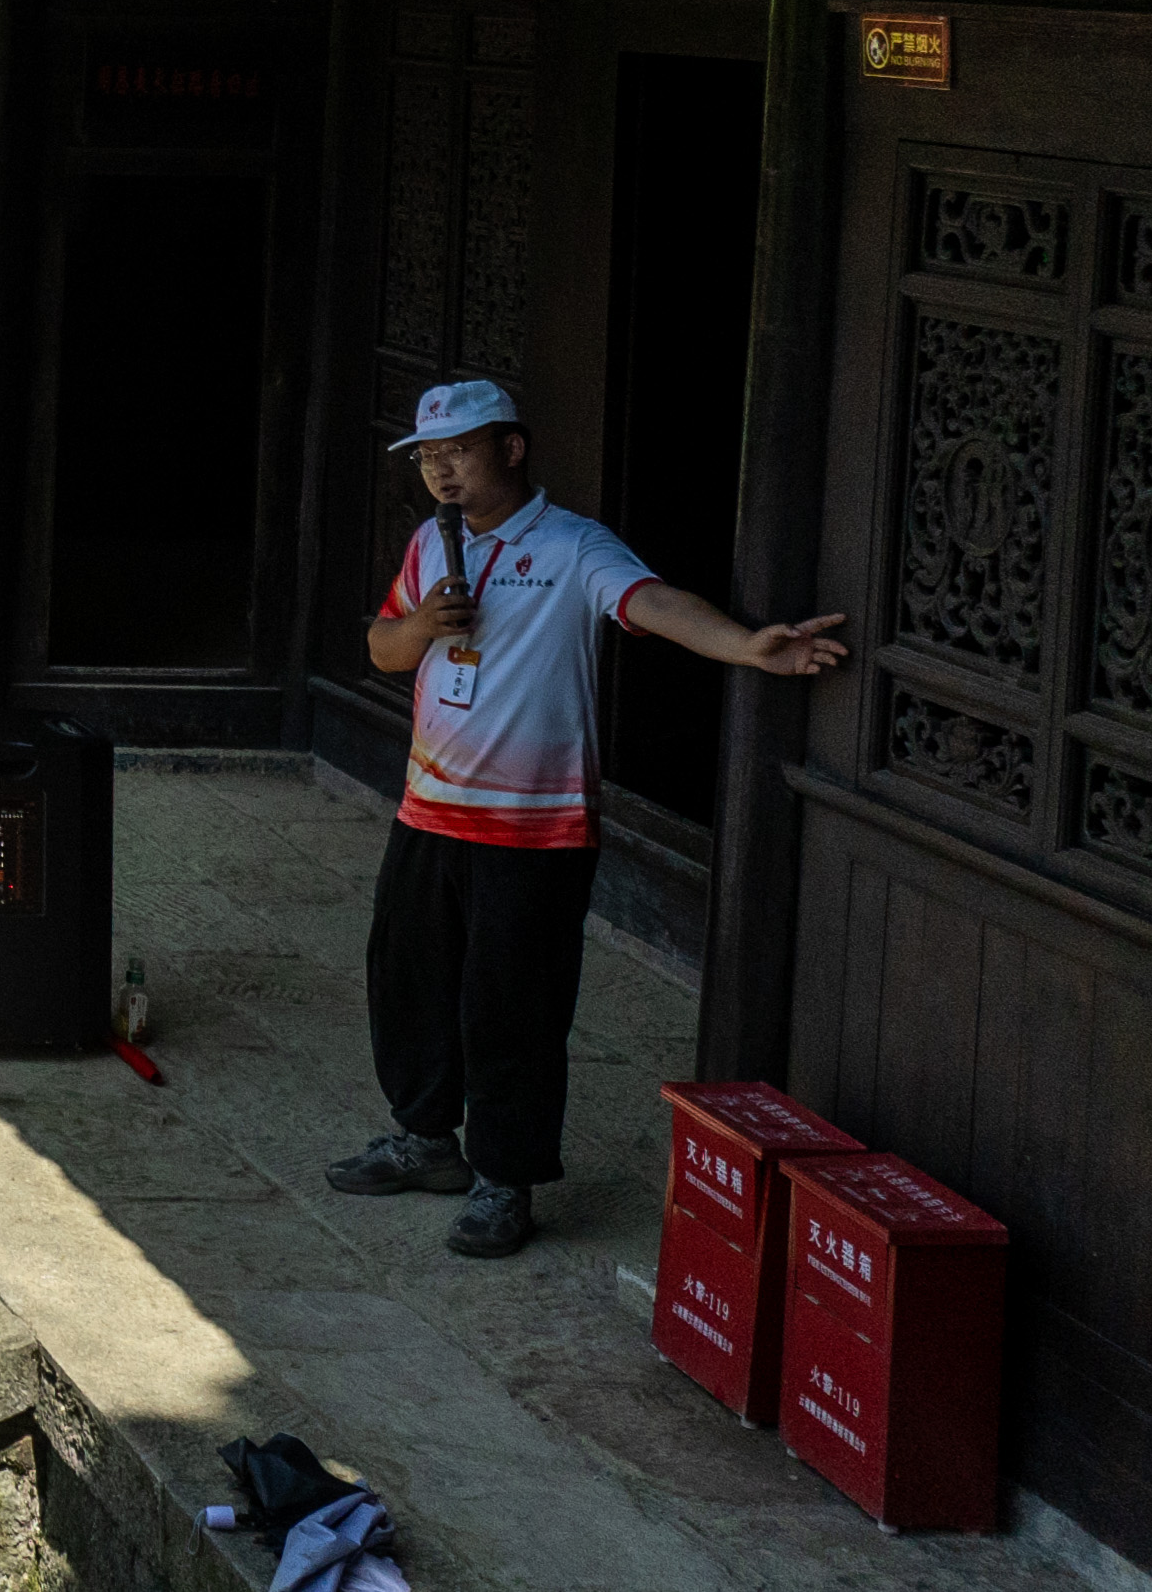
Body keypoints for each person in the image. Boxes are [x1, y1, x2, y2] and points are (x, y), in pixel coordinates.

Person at [337, 379, 848, 1257]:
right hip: (428, 811)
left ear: (511, 448)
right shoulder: (431, 542)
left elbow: (649, 603)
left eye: (459, 450)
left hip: (534, 827)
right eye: (426, 456)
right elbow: (381, 651)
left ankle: (505, 1178)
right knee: (408, 981)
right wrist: (421, 624)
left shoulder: (573, 545)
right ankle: (425, 1141)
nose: (441, 470)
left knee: (513, 1007)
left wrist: (743, 645)